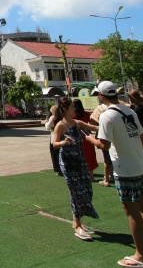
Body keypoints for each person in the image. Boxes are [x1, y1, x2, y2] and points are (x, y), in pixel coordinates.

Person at [90, 81, 143, 267]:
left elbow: (104, 145)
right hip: (141, 165)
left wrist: (89, 139)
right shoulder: (130, 111)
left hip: (125, 169)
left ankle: (141, 255)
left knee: (132, 211)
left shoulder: (106, 115)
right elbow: (141, 136)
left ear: (101, 96)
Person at [52, 97, 100, 241]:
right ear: (65, 109)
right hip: (68, 162)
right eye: (72, 107)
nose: (74, 109)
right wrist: (63, 142)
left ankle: (77, 220)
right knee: (75, 192)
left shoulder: (76, 123)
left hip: (80, 160)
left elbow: (93, 127)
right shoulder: (60, 125)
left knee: (86, 188)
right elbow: (54, 143)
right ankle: (77, 224)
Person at [89, 100, 113, 187]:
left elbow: (92, 120)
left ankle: (107, 179)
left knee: (107, 157)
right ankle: (111, 175)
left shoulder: (101, 109)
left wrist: (91, 139)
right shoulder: (116, 108)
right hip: (113, 134)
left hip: (104, 134)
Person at [73, 99, 98, 180]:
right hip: (87, 135)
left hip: (77, 135)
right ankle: (91, 174)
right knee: (90, 155)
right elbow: (92, 122)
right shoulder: (86, 114)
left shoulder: (73, 115)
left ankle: (82, 173)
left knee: (79, 154)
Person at [46, 106, 62, 176]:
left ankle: (58, 169)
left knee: (55, 154)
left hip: (54, 137)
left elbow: (47, 127)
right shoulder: (61, 117)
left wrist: (46, 122)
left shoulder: (53, 117)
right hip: (61, 136)